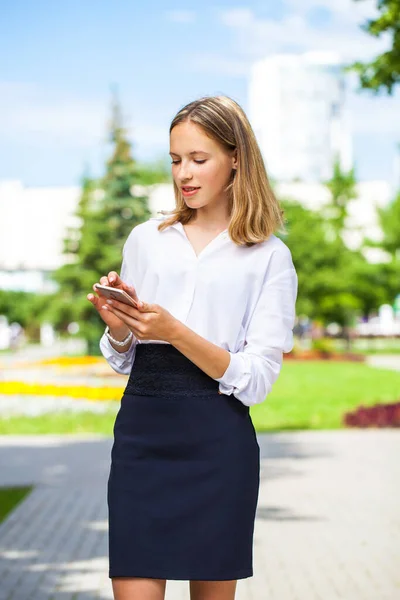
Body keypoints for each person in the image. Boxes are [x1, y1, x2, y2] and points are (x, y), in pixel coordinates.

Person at [87, 95, 298, 600]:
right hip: (143, 434)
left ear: (236, 159)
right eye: (176, 160)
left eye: (199, 159)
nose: (184, 173)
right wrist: (119, 327)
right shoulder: (146, 239)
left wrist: (176, 331)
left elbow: (258, 379)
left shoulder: (270, 256)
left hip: (218, 443)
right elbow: (125, 356)